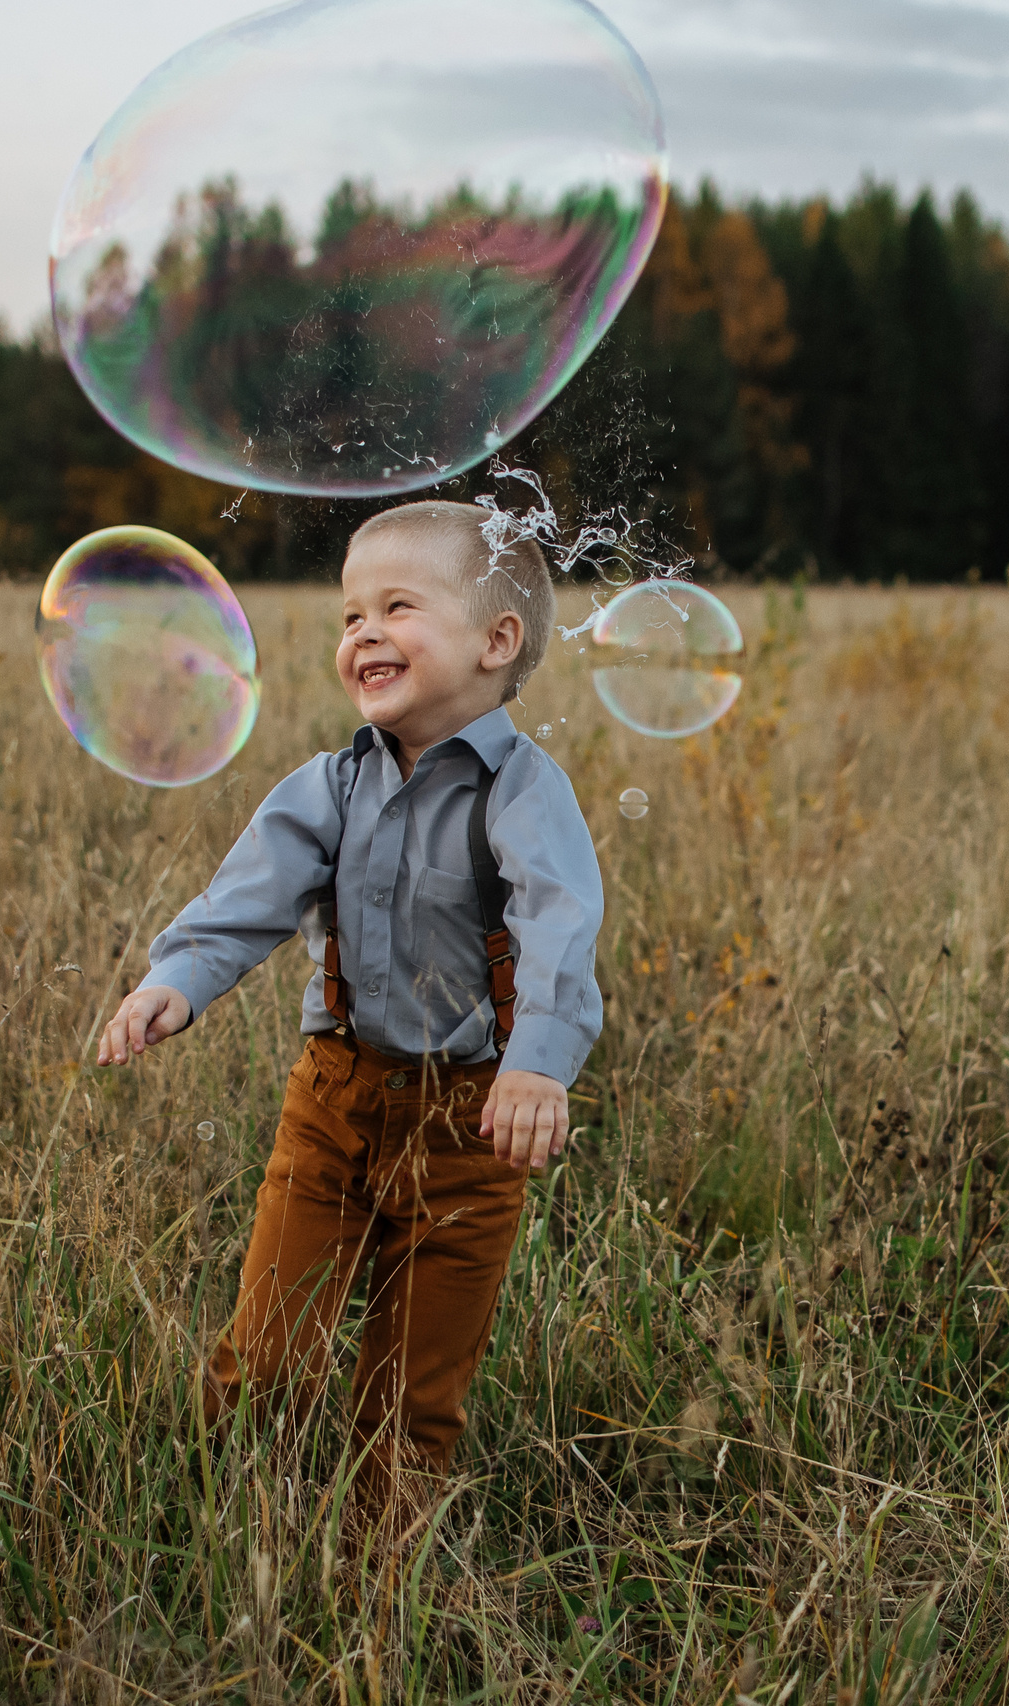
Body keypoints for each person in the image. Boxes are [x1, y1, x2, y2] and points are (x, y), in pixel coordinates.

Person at [96, 499, 605, 1529]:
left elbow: (560, 922)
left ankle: (377, 1577)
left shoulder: (521, 791)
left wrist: (537, 1063)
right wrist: (174, 981)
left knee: (414, 1391)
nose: (361, 632)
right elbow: (246, 898)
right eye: (347, 615)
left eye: (396, 606)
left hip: (471, 1123)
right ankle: (229, 1532)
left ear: (494, 642)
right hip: (333, 1101)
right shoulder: (328, 786)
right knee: (268, 1348)